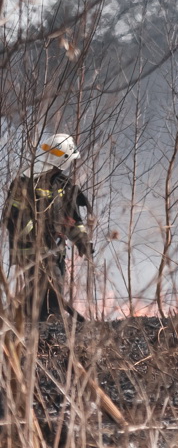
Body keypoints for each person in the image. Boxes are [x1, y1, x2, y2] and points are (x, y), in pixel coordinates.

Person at [3, 134, 92, 320]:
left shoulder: (63, 185)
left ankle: (21, 323)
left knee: (43, 291)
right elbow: (13, 219)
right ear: (62, 159)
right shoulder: (24, 184)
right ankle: (49, 326)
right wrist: (40, 237)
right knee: (49, 289)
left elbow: (73, 219)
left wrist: (82, 241)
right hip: (31, 252)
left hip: (57, 250)